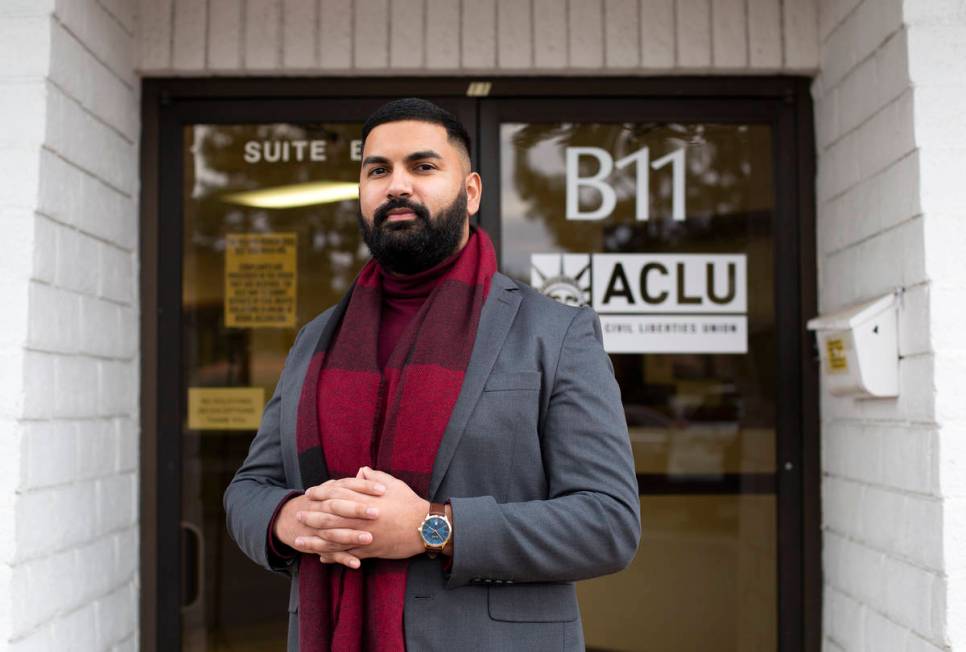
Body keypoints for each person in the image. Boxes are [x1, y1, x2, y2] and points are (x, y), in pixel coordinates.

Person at [224, 98, 641, 652]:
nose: (397, 185)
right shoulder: (316, 340)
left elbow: (608, 523)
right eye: (378, 170)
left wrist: (432, 528)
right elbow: (249, 489)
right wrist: (287, 519)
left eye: (422, 167)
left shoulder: (554, 332)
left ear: (470, 192)